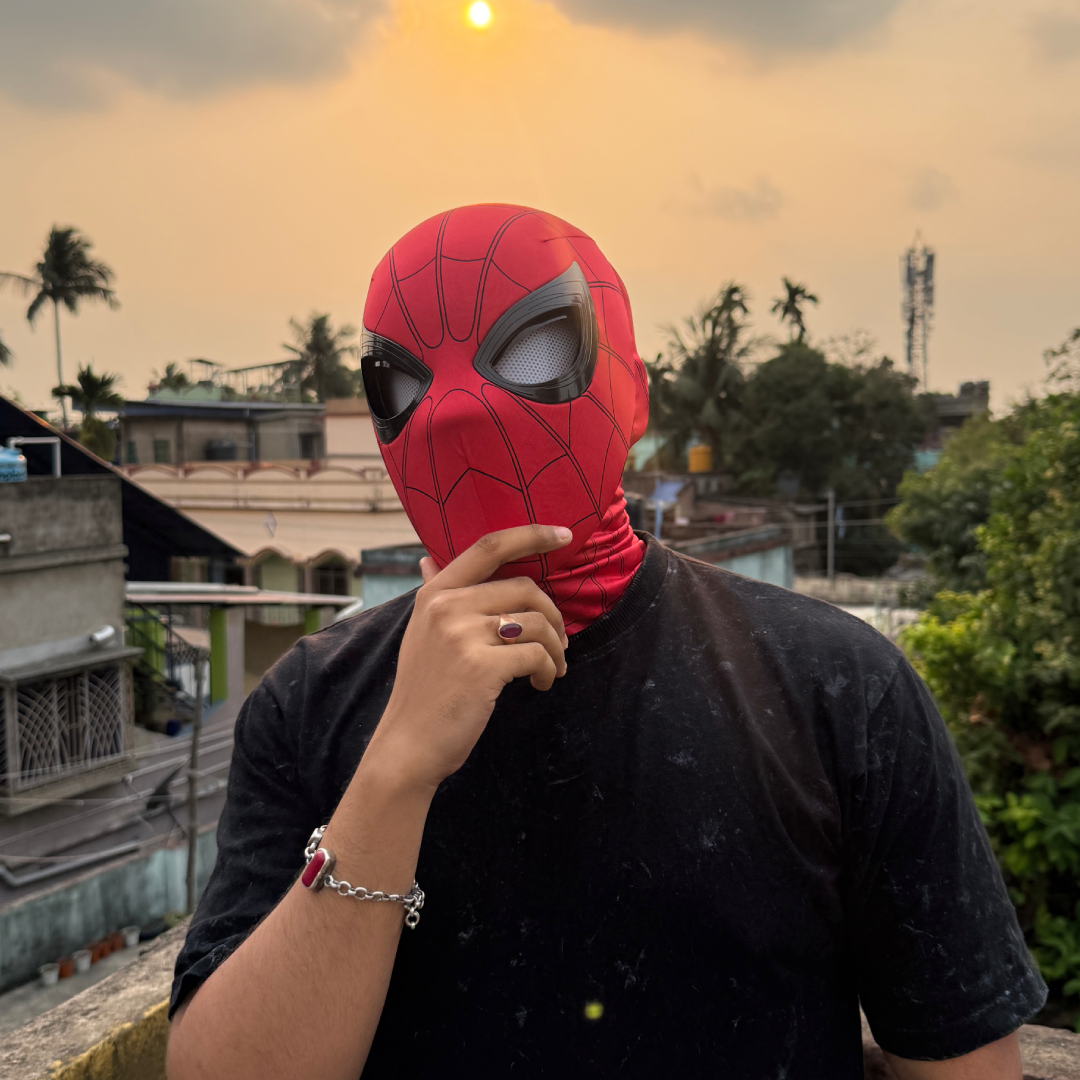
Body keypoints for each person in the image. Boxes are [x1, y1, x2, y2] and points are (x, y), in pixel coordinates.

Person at [168, 205, 1045, 1080]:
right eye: (400, 383)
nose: (456, 414)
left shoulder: (838, 688)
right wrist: (394, 772)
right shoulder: (307, 704)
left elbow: (962, 1063)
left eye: (534, 349)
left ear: (634, 395)